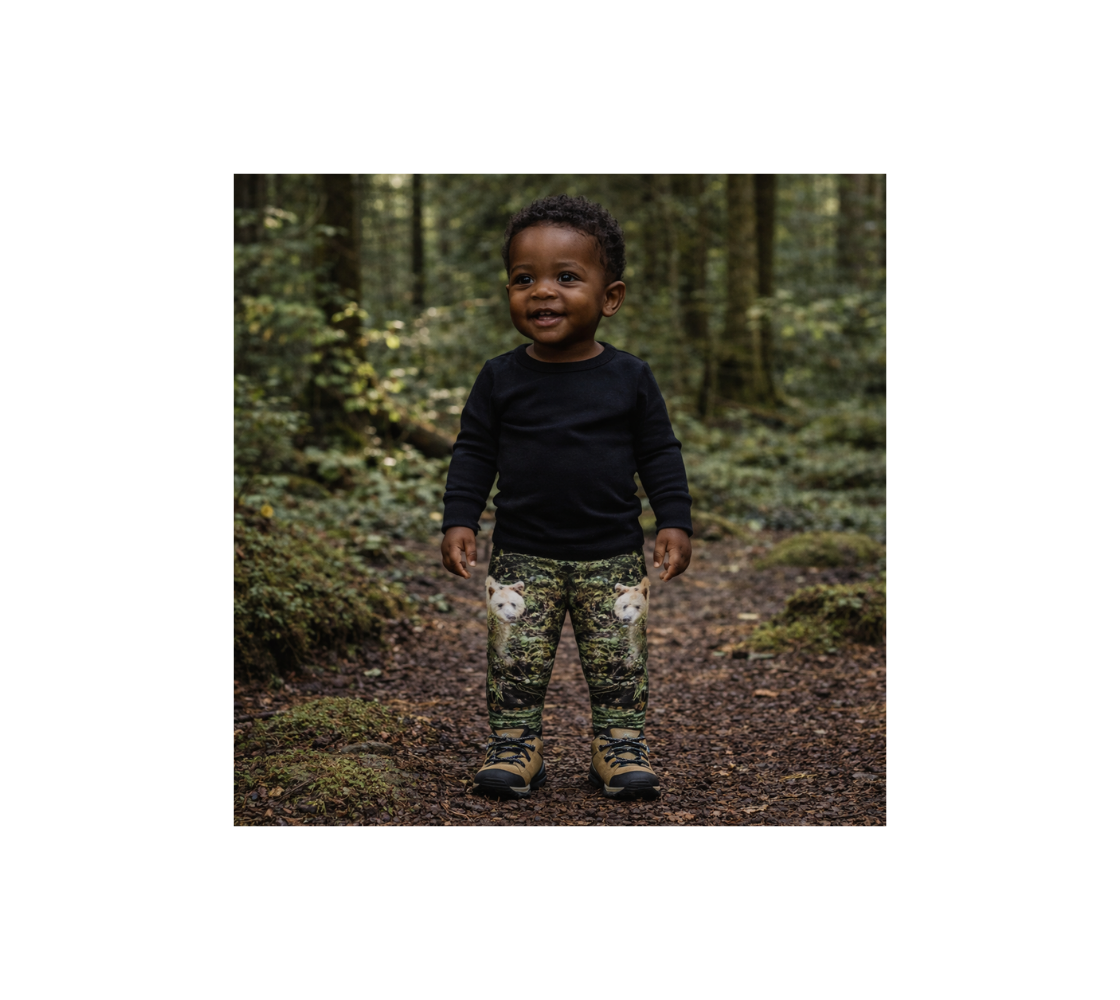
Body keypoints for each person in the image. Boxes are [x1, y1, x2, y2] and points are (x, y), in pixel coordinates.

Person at [440, 195, 692, 801]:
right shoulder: (500, 377)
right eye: (524, 279)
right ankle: (515, 744)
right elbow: (473, 451)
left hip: (611, 555)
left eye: (566, 277)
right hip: (523, 557)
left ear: (611, 298)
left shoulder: (630, 377)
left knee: (619, 662)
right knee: (516, 661)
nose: (542, 291)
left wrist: (674, 520)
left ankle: (618, 745)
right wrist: (460, 518)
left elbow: (660, 451)